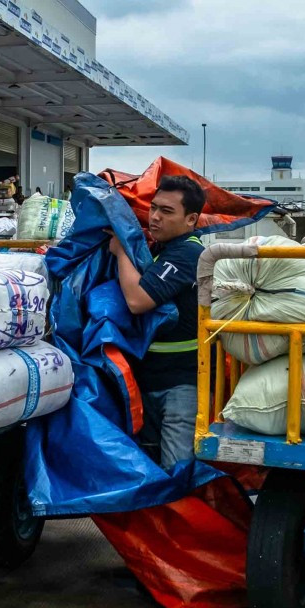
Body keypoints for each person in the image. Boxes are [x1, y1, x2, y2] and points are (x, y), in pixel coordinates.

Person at [108, 175, 206, 469]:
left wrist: (122, 250)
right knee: (150, 466)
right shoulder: (160, 249)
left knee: (176, 470)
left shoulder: (188, 253)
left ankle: (186, 515)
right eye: (153, 208)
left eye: (167, 211)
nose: (155, 217)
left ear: (191, 219)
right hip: (149, 381)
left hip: (180, 386)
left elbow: (138, 301)